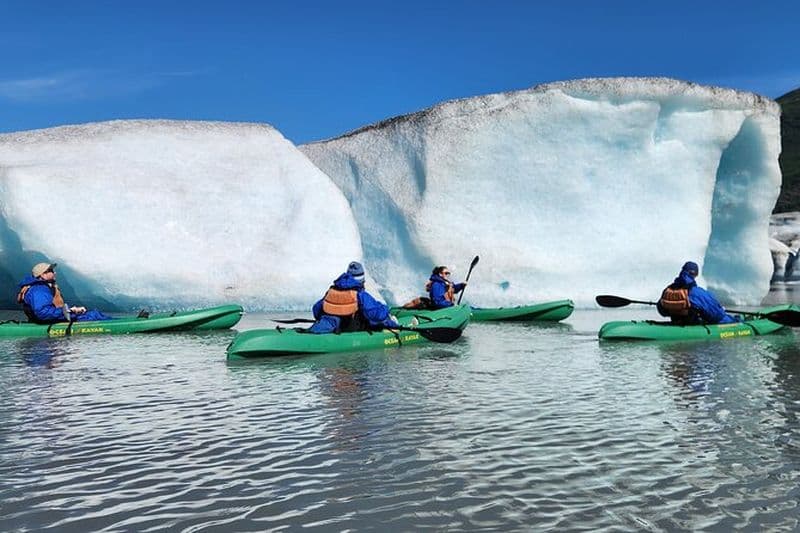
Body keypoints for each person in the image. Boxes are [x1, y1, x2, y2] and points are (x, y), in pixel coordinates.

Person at [309, 261, 400, 334]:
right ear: (362, 280)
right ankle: (393, 323)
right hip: (351, 328)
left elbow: (316, 309)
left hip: (333, 326)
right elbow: (376, 315)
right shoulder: (360, 294)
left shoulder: (332, 291)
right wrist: (385, 308)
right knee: (377, 318)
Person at [17, 262, 111, 324]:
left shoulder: (40, 287)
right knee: (93, 315)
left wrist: (70, 311)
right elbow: (43, 312)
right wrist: (69, 311)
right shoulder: (39, 289)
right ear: (42, 274)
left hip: (51, 319)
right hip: (48, 321)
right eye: (51, 271)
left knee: (93, 314)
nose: (55, 273)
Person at [656, 261, 739, 325]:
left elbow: (661, 310)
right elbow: (717, 316)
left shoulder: (668, 289)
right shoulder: (697, 292)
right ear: (695, 274)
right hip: (691, 325)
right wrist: (736, 320)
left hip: (675, 322)